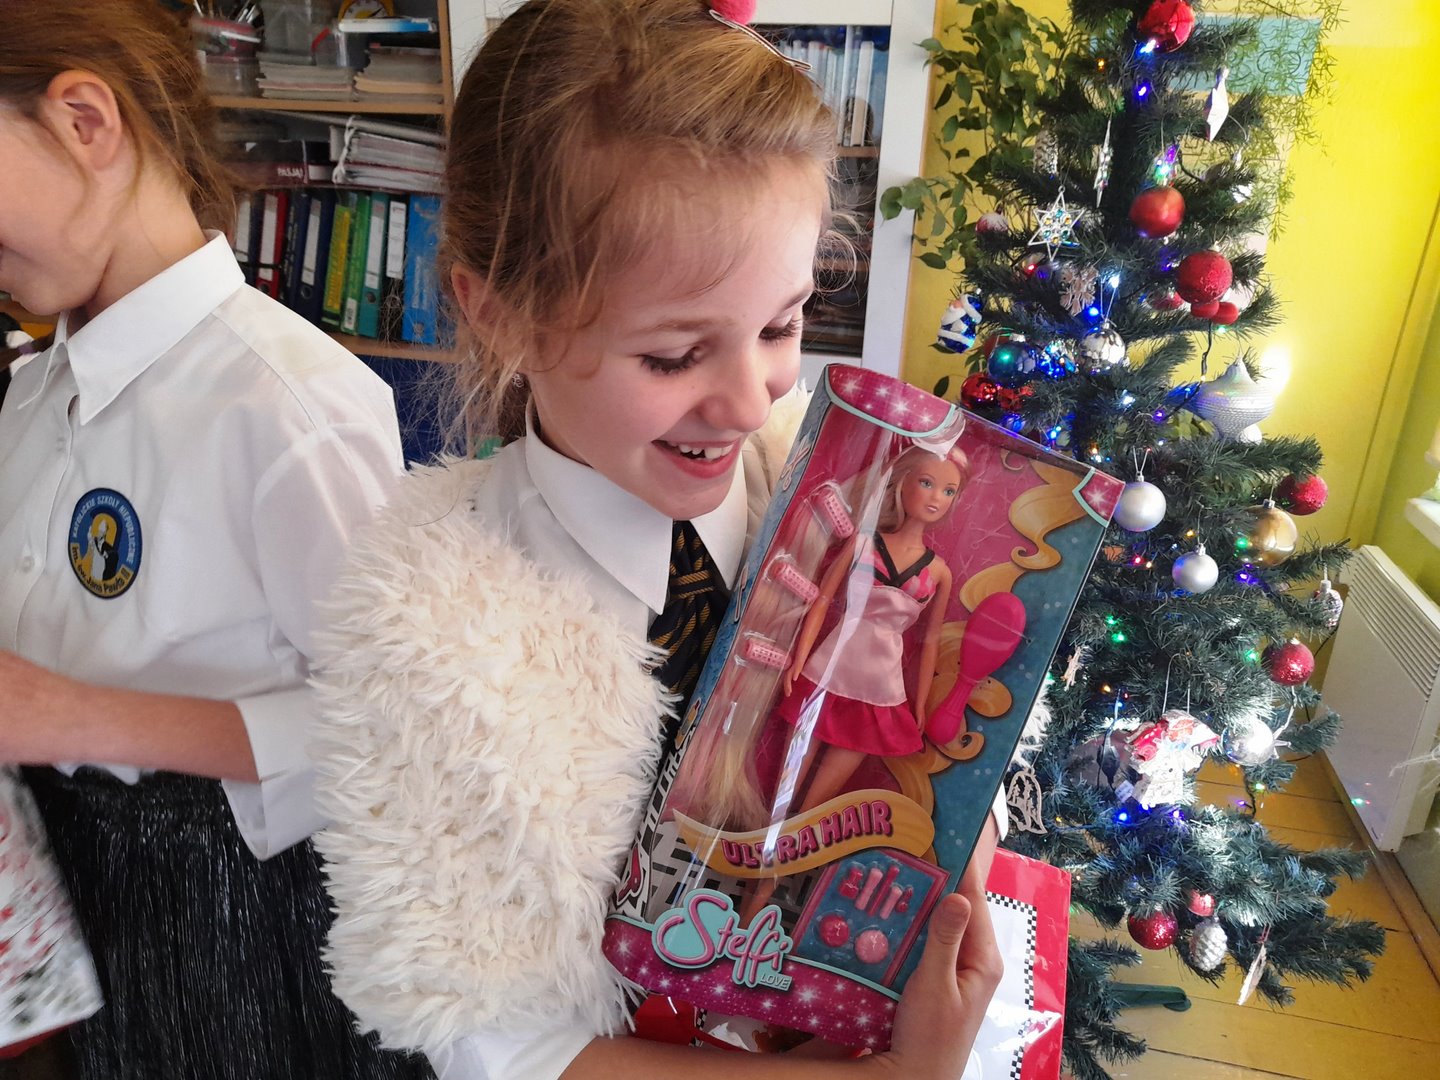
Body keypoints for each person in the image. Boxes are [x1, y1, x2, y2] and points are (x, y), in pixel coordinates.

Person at [309, 2, 1005, 1079]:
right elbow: (507, 1043)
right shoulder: (430, 642)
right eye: (676, 355)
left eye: (781, 326)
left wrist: (951, 814)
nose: (750, 398)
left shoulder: (821, 490)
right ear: (501, 314)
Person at [0, 3, 428, 1078]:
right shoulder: (32, 393)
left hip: (227, 937)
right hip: (64, 907)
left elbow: (396, 733)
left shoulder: (290, 407)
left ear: (84, 121)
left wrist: (72, 715)